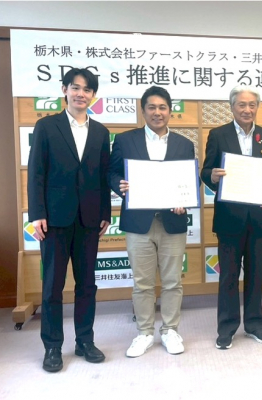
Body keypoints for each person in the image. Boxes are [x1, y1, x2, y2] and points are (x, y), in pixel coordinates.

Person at [28, 68, 111, 372]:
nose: (80, 94)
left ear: (93, 95)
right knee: (52, 286)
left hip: (89, 218)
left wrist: (105, 213)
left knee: (87, 284)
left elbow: (103, 175)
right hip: (54, 218)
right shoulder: (46, 126)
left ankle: (84, 341)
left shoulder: (101, 132)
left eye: (87, 90)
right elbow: (36, 172)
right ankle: (52, 346)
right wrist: (37, 213)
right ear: (64, 90)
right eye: (75, 88)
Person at [108, 86, 195, 357]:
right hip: (139, 222)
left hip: (172, 221)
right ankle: (144, 332)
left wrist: (184, 199)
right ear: (143, 110)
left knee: (172, 282)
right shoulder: (125, 140)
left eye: (162, 107)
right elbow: (111, 172)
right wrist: (119, 185)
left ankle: (170, 330)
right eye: (152, 107)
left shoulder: (184, 143)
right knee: (142, 283)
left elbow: (189, 180)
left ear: (170, 111)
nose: (157, 112)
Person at [201, 85, 262, 350]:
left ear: (258, 107)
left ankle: (255, 324)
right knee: (229, 276)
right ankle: (227, 327)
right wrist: (212, 177)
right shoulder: (218, 134)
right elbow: (206, 171)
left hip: (259, 217)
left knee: (257, 274)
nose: (247, 109)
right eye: (242, 105)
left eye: (252, 105)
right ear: (232, 107)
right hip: (229, 218)